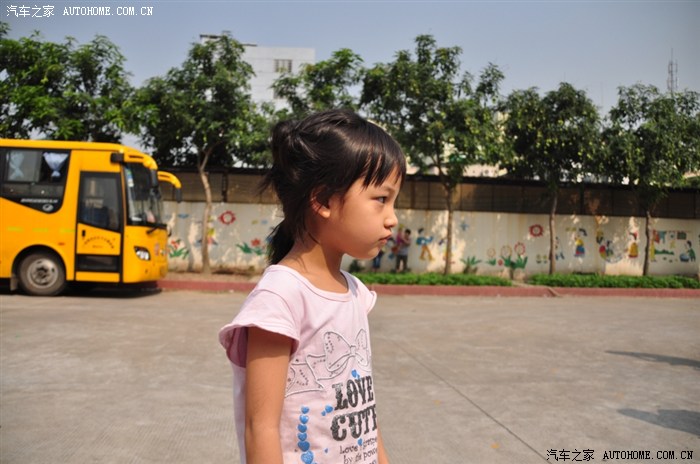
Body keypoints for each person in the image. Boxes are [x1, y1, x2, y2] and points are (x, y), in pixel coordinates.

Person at [219, 109, 405, 464]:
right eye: (381, 199)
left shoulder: (355, 292)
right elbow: (261, 429)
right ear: (323, 201)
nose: (392, 217)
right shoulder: (281, 298)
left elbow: (363, 410)